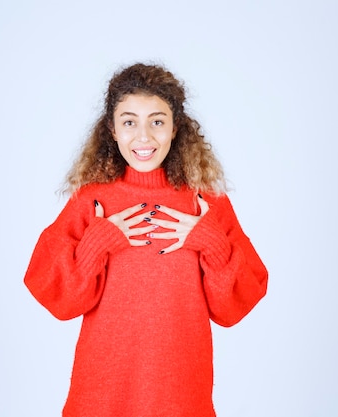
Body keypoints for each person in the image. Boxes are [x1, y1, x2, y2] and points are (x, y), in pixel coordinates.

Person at [24, 63, 268, 417]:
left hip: (181, 392)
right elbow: (55, 295)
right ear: (112, 129)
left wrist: (210, 242)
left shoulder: (206, 203)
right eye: (129, 122)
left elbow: (234, 306)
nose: (143, 137)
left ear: (175, 127)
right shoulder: (92, 201)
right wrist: (98, 241)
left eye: (157, 121)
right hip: (104, 390)